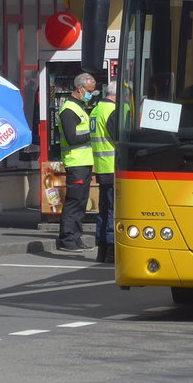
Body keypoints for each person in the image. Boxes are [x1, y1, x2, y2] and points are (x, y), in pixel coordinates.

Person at [56, 72, 96, 252]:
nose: (90, 94)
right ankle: (66, 239)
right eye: (89, 91)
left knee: (81, 202)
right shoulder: (69, 110)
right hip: (75, 162)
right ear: (80, 88)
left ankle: (76, 237)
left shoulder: (78, 107)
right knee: (74, 201)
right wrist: (92, 134)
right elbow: (72, 138)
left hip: (84, 162)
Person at [89, 82, 117, 263]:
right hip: (114, 166)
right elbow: (119, 137)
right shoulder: (113, 111)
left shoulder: (96, 110)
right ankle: (111, 249)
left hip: (101, 166)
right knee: (114, 211)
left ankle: (101, 249)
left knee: (104, 210)